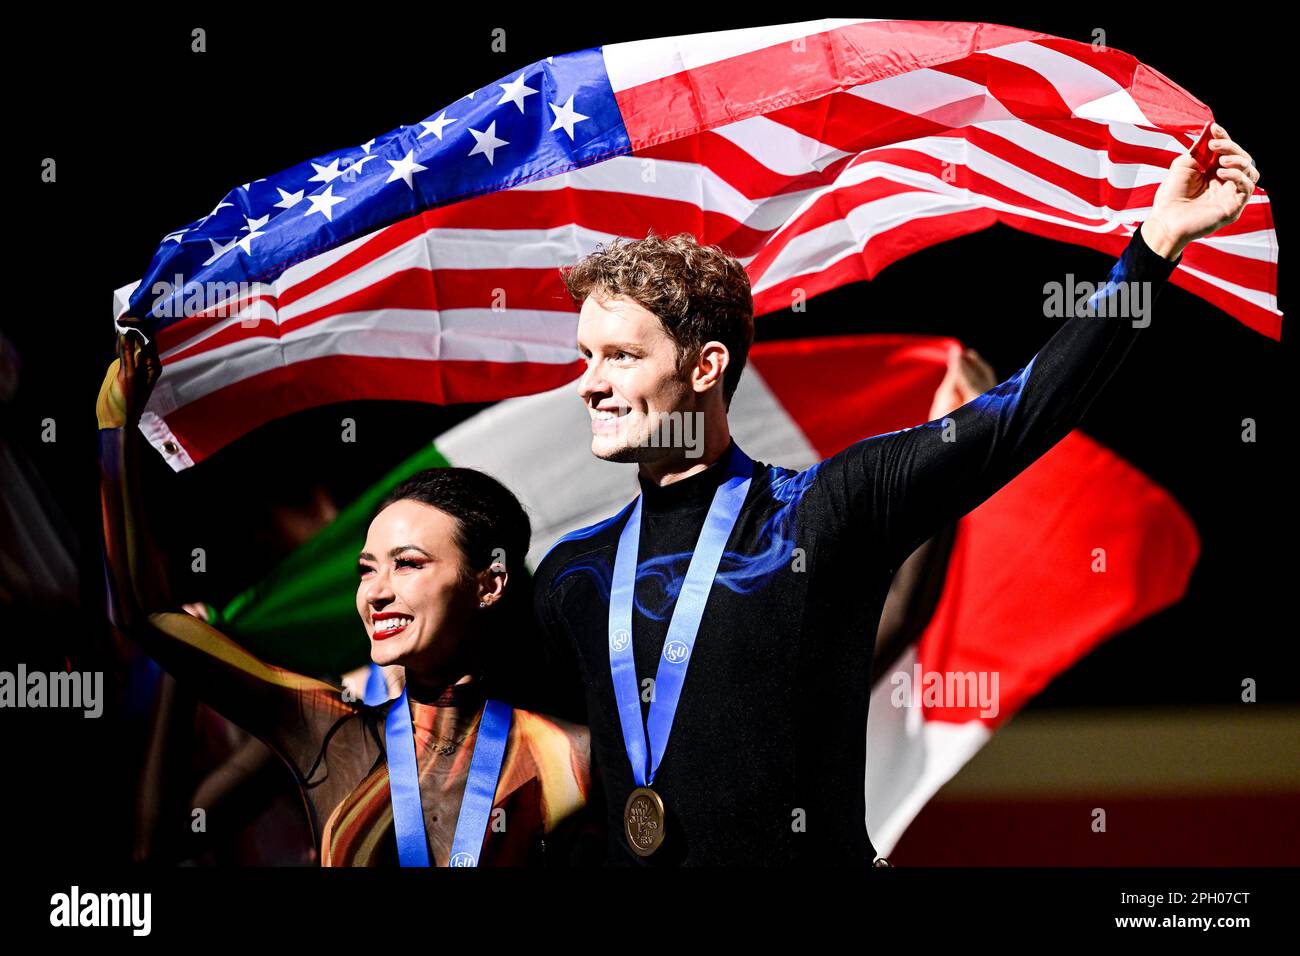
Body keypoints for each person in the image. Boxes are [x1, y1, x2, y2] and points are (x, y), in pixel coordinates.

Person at [531, 125, 1259, 865]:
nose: (591, 383)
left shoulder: (823, 511)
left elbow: (1029, 409)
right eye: (587, 356)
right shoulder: (573, 575)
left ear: (707, 366)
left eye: (621, 356)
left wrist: (1156, 242)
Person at [98, 340, 595, 866]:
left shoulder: (574, 757)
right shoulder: (330, 735)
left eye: (407, 563)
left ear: (488, 585)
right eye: (366, 569)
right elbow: (140, 612)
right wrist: (114, 430)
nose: (376, 591)